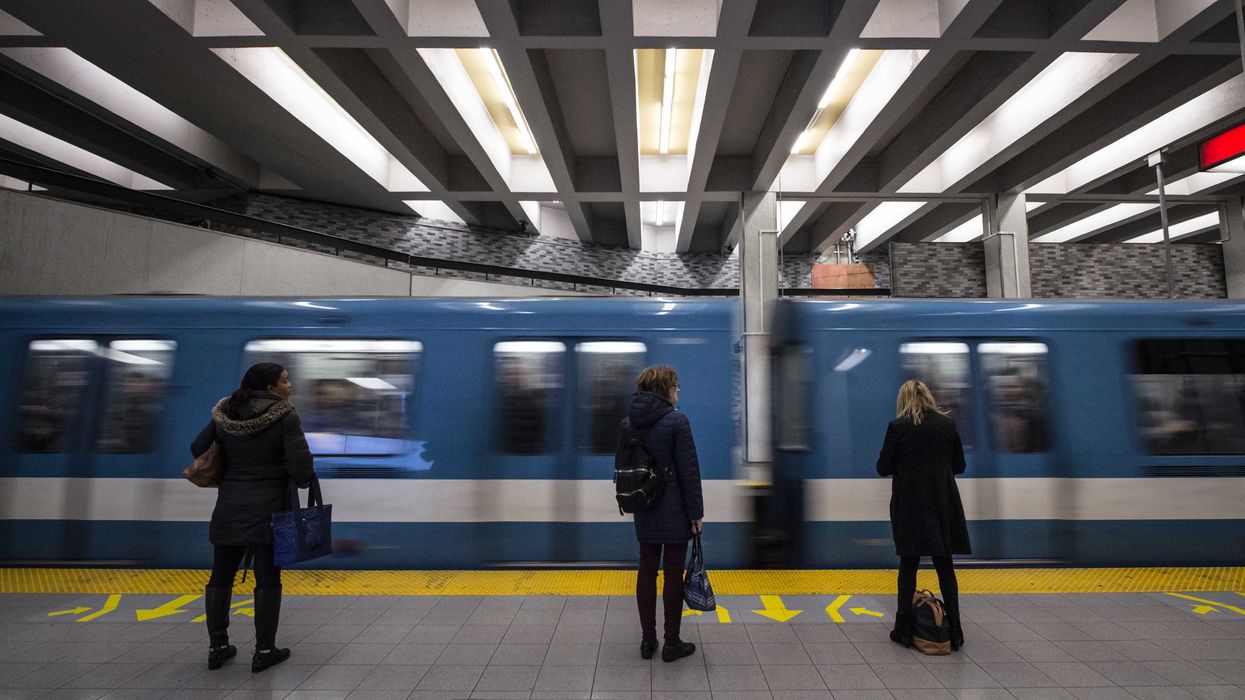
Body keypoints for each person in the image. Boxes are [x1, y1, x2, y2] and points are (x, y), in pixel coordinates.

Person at [191, 363, 314, 673]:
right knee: (268, 578)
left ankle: (217, 648)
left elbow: (197, 448)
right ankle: (264, 649)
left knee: (221, 576)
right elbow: (302, 473)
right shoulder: (286, 416)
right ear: (272, 388)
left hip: (230, 506)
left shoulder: (226, 413)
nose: (290, 386)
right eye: (285, 381)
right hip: (270, 510)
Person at [876, 379, 969, 651]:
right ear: (929, 397)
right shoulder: (947, 425)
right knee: (945, 567)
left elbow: (883, 468)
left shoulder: (897, 427)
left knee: (908, 566)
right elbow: (960, 466)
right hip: (943, 504)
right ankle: (957, 631)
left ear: (903, 401)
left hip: (910, 505)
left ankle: (903, 630)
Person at [620, 365, 704, 662]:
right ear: (664, 388)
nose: (678, 389)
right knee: (672, 573)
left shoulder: (629, 422)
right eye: (675, 384)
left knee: (646, 570)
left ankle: (647, 641)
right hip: (675, 508)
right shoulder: (677, 421)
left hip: (644, 505)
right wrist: (696, 513)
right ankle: (671, 643)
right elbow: (689, 472)